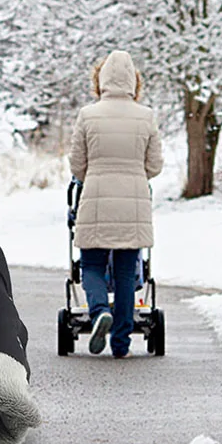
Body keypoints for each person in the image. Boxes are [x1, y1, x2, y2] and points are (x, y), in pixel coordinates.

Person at [69, 50, 163, 358]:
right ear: (134, 82)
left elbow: (77, 165)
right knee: (125, 272)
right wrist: (134, 172)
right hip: (133, 202)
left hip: (95, 197)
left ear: (100, 80)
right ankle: (121, 344)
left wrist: (95, 173)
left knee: (92, 266)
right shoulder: (145, 116)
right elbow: (155, 166)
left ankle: (98, 314)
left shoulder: (88, 114)